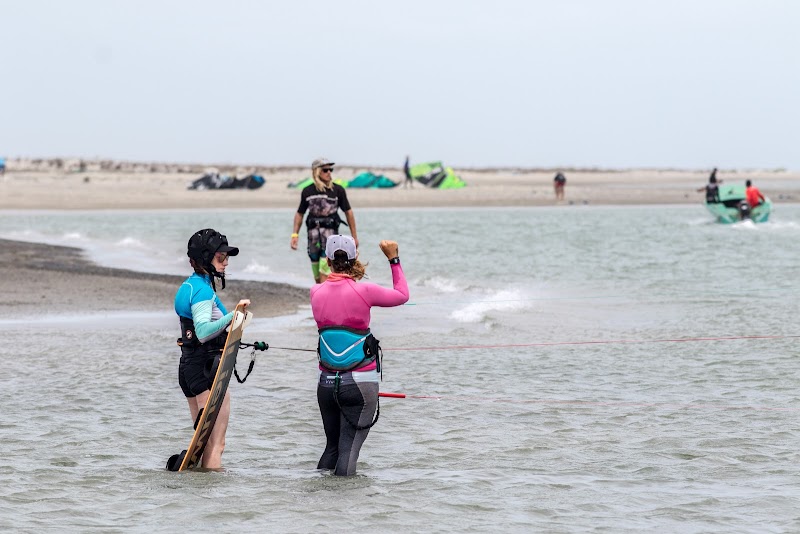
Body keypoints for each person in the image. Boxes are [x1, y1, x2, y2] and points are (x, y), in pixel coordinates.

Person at [310, 235, 409, 476]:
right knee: (348, 452)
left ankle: (317, 503)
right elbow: (402, 295)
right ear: (354, 258)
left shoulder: (315, 291)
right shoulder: (364, 290)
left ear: (328, 260)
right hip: (359, 385)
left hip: (325, 385)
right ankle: (344, 511)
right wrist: (394, 259)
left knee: (332, 448)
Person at [173, 229, 250, 469]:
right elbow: (204, 332)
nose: (226, 263)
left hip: (189, 368)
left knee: (204, 444)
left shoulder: (189, 286)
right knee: (217, 446)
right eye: (220, 257)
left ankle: (198, 497)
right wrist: (233, 316)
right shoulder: (203, 291)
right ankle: (216, 500)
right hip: (207, 371)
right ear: (206, 259)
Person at [290, 158, 358, 284]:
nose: (329, 173)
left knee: (324, 269)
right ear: (316, 172)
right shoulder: (307, 191)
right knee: (317, 275)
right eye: (325, 170)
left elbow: (348, 212)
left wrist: (354, 237)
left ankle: (325, 300)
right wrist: (295, 235)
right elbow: (300, 213)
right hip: (313, 238)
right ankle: (322, 297)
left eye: (330, 170)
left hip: (330, 238)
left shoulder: (338, 190)